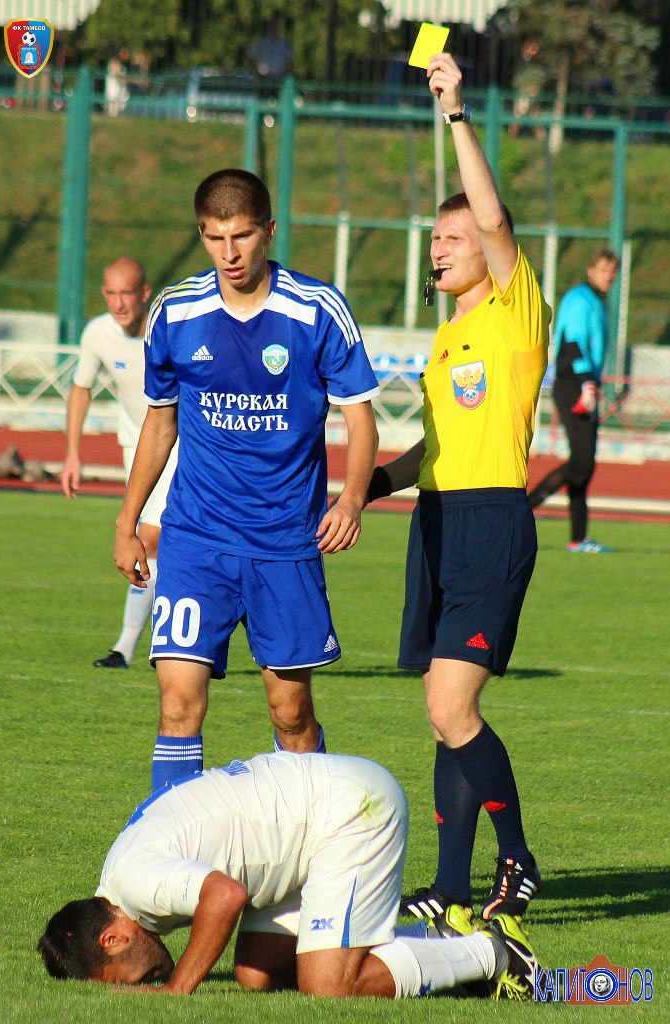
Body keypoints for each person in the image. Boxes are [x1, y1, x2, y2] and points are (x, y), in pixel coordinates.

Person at [113, 169, 379, 792]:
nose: (229, 254)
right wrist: (127, 523)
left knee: (290, 715)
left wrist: (353, 499)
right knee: (179, 705)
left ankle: (309, 850)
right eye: (213, 238)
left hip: (284, 543)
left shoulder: (316, 311)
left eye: (241, 236)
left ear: (269, 231)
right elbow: (159, 425)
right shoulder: (175, 313)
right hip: (195, 538)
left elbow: (361, 421)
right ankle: (171, 857)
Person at [365, 53, 549, 929]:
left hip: (490, 525)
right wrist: (367, 485)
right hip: (436, 521)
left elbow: (495, 210)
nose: (437, 249)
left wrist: (455, 114)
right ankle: (449, 887)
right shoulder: (449, 339)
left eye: (451, 239)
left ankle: (517, 861)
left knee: (452, 704)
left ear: (487, 250)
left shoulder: (516, 310)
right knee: (443, 717)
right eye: (433, 240)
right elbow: (431, 449)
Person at [38, 751, 540, 1000]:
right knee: (255, 975)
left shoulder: (138, 883)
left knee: (328, 985)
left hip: (348, 811)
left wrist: (179, 988)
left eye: (126, 981)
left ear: (112, 938)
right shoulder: (119, 876)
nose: (143, 983)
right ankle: (441, 936)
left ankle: (493, 954)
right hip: (303, 838)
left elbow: (226, 896)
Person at [61, 258, 178, 670]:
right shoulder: (98, 334)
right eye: (110, 293)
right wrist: (73, 453)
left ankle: (130, 648)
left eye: (126, 293)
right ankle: (149, 645)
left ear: (144, 293)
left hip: (182, 448)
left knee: (148, 540)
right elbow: (80, 389)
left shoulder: (168, 328)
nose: (118, 303)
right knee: (160, 548)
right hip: (137, 449)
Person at [528, 248, 619, 552]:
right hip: (574, 383)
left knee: (585, 465)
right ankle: (522, 511)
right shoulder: (581, 299)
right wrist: (586, 384)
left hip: (583, 382)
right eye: (605, 270)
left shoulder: (595, 301)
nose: (609, 276)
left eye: (613, 272)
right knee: (581, 462)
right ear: (591, 270)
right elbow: (573, 343)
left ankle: (578, 538)